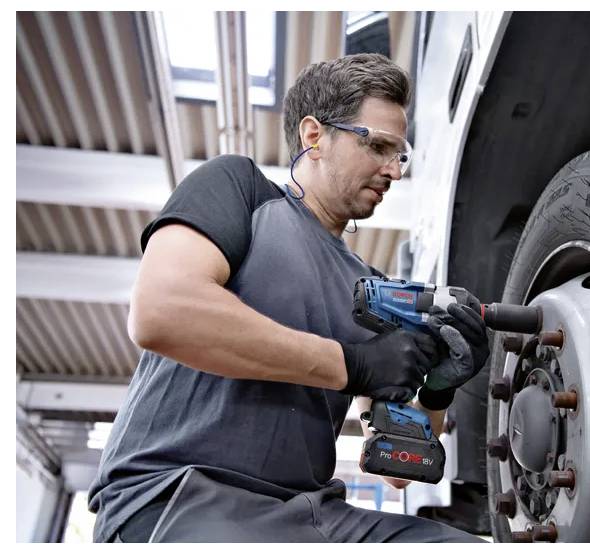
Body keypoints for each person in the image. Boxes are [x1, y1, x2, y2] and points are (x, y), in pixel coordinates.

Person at [87, 53, 490, 543]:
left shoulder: (375, 290)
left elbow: (398, 468)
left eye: (399, 155)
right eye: (378, 146)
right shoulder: (240, 189)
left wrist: (439, 387)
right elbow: (162, 312)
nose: (394, 171)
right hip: (178, 496)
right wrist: (352, 365)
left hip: (312, 515)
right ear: (314, 135)